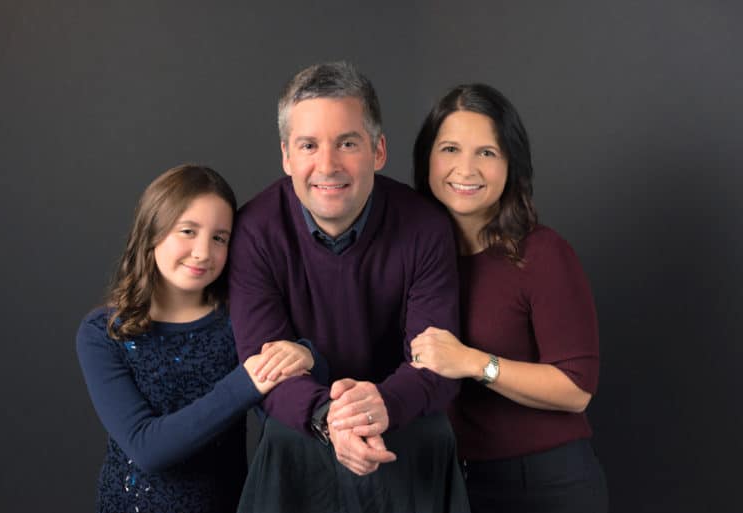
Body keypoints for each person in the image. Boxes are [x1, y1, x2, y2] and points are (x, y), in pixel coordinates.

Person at [228, 62, 470, 512]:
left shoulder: (425, 227)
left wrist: (382, 404)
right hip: (300, 433)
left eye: (347, 143)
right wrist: (329, 418)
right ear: (286, 156)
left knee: (432, 430)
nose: (327, 165)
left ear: (378, 150)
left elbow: (436, 361)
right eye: (308, 145)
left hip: (405, 427)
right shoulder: (255, 231)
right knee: (283, 434)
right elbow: (263, 365)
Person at [76, 164, 325, 513]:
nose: (203, 252)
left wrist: (308, 355)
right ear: (152, 232)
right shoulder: (104, 333)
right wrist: (247, 382)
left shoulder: (238, 320)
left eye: (219, 238)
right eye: (188, 231)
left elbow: (285, 408)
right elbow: (148, 448)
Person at [410, 84, 609, 512]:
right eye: (449, 149)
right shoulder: (417, 258)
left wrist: (473, 362)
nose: (466, 169)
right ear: (426, 158)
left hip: (543, 483)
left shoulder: (542, 253)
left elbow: (577, 389)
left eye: (487, 152)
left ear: (510, 164)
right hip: (450, 481)